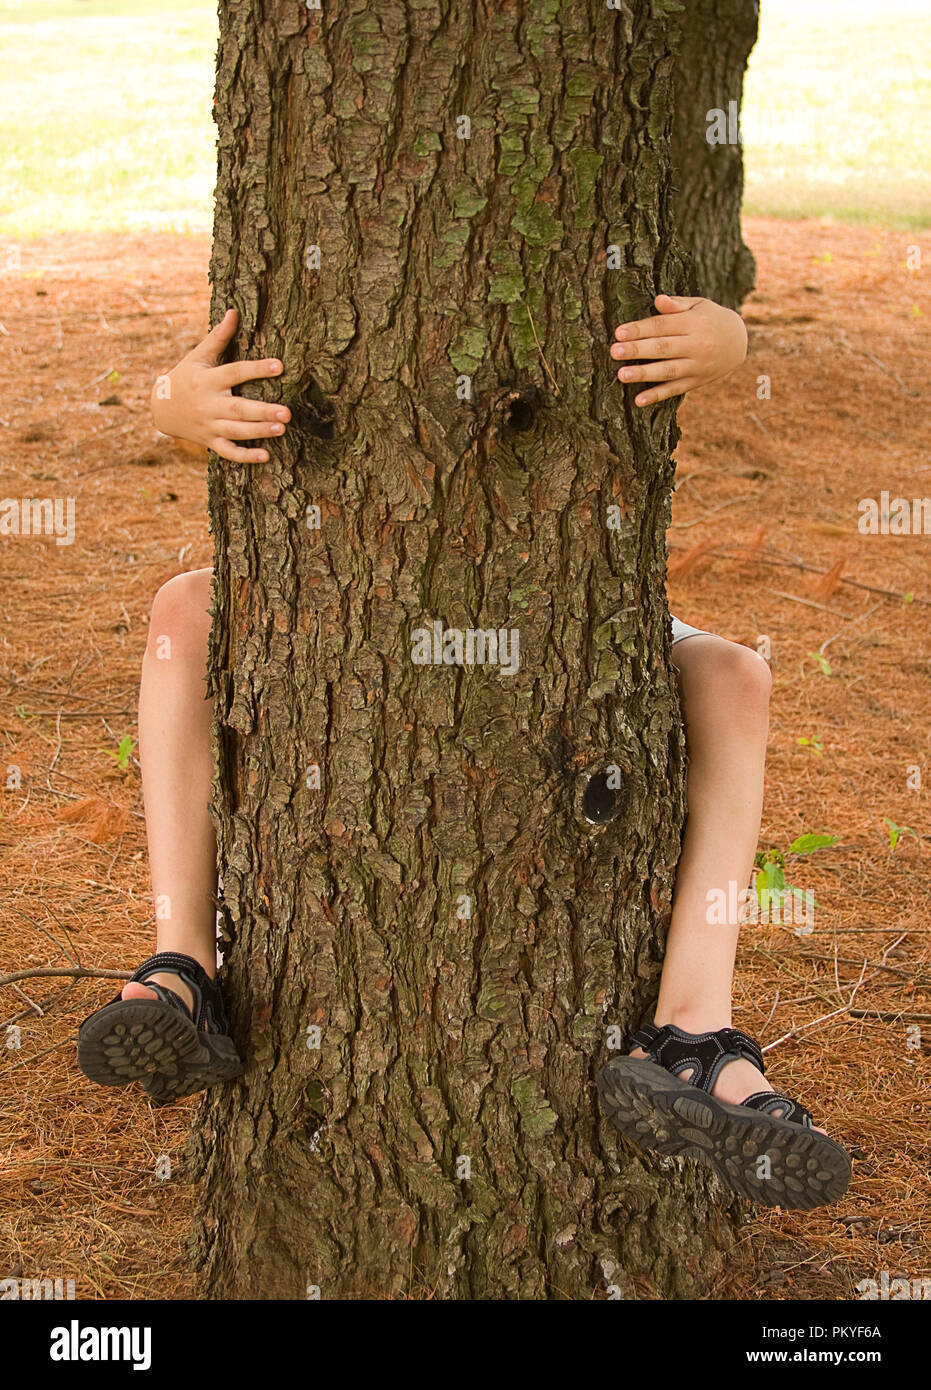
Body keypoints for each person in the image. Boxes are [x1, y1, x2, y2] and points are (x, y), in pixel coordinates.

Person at [77, 294, 850, 1208]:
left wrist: (727, 341)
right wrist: (175, 400)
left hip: (564, 601)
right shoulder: (299, 284)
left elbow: (714, 314)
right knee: (181, 611)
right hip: (343, 576)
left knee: (734, 679)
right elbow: (177, 382)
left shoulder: (608, 277)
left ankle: (691, 1030)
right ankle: (183, 967)